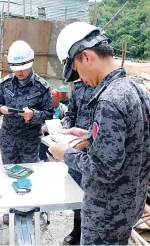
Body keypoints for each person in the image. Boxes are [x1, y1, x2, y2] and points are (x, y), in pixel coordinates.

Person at [50, 21, 150, 245]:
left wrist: (65, 152)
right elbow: (132, 142)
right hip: (129, 205)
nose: (81, 79)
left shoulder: (108, 100)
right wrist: (88, 136)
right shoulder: (134, 89)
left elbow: (104, 169)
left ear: (86, 57)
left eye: (77, 71)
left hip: (106, 213)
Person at [0, 40, 53, 164]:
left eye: (23, 68)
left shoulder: (42, 87)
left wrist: (33, 114)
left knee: (28, 175)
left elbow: (49, 115)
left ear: (30, 63)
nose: (19, 72)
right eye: (16, 69)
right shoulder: (5, 84)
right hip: (7, 139)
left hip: (29, 142)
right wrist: (0, 109)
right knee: (9, 174)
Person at [60, 79, 95, 245]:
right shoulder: (79, 87)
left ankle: (90, 233)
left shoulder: (106, 90)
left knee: (92, 194)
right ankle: (77, 229)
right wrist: (65, 129)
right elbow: (70, 114)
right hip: (75, 149)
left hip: (96, 150)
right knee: (75, 190)